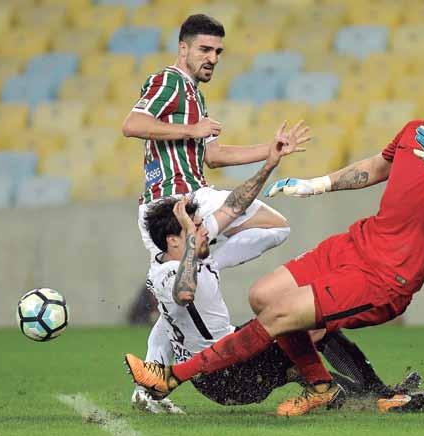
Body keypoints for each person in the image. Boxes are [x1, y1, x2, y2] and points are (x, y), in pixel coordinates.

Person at [125, 69, 424, 416]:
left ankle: (171, 377)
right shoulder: (414, 132)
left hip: (392, 273)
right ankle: (322, 385)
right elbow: (376, 166)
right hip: (358, 243)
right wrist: (316, 184)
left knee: (282, 314)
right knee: (263, 294)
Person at [138, 125, 424, 411]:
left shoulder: (192, 250)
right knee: (305, 324)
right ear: (173, 240)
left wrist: (270, 162)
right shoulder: (165, 273)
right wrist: (195, 242)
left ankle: (356, 394)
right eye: (197, 227)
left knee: (297, 317)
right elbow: (184, 293)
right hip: (221, 377)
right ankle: (379, 395)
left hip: (226, 356)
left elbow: (236, 205)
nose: (205, 230)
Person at [122, 14, 305, 411]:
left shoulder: (196, 96)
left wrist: (269, 151)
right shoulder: (168, 81)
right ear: (183, 48)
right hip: (176, 201)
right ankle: (205, 264)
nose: (213, 58)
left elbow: (214, 155)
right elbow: (132, 123)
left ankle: (148, 389)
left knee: (174, 309)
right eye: (205, 49)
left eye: (218, 51)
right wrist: (191, 131)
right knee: (277, 227)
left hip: (184, 198)